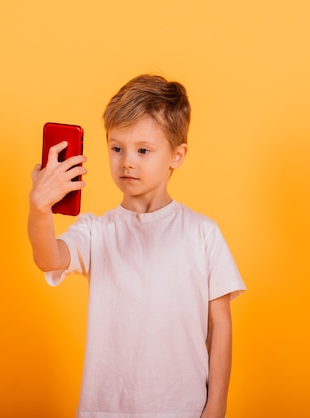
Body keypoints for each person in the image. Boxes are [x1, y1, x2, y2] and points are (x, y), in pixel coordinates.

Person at [28, 74, 246, 418]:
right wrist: (40, 209)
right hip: (105, 409)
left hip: (182, 408)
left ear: (177, 155)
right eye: (117, 148)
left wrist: (216, 404)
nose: (127, 161)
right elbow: (48, 258)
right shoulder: (97, 232)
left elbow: (220, 326)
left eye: (143, 150)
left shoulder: (202, 233)